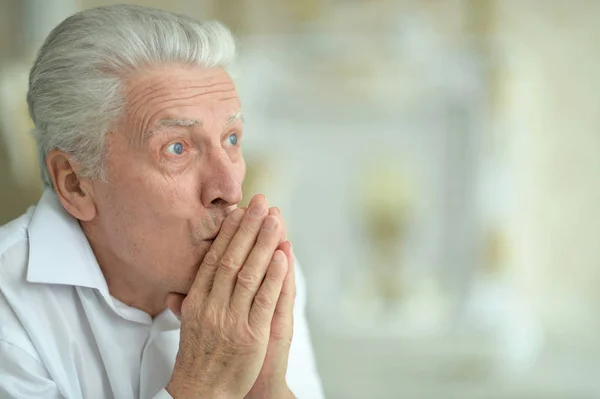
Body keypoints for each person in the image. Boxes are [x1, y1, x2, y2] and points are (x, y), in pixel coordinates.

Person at [0, 5, 323, 399]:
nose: (229, 189)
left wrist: (266, 388)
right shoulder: (8, 310)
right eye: (176, 148)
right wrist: (204, 386)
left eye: (232, 139)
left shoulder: (259, 276)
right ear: (75, 184)